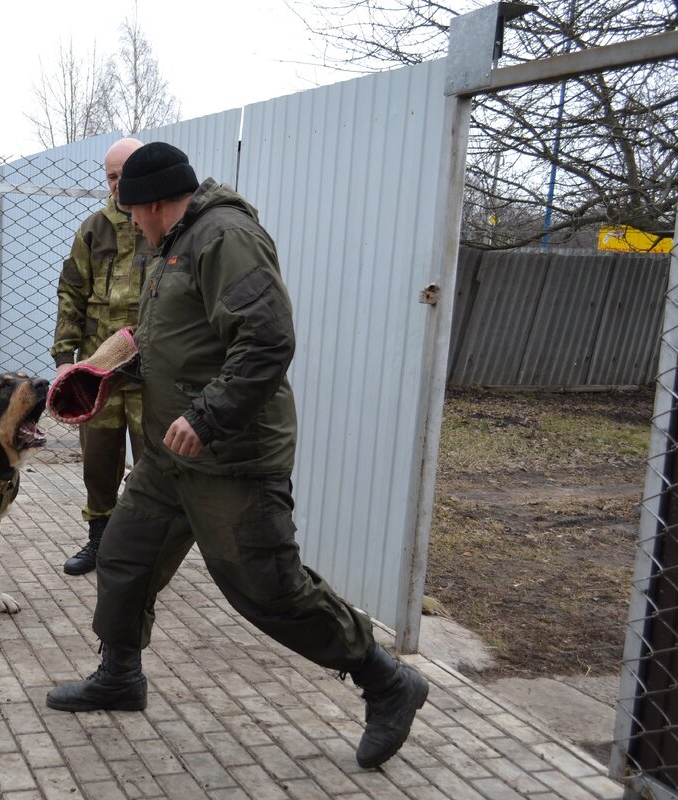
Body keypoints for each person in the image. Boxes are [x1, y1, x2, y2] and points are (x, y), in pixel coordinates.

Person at [45, 142, 430, 770]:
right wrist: (104, 368)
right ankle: (119, 676)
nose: (130, 224)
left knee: (268, 589)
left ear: (156, 202)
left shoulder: (224, 237)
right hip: (173, 452)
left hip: (230, 452)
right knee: (123, 556)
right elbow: (176, 335)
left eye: (132, 209)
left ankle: (385, 679)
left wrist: (208, 415)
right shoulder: (173, 245)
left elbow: (268, 337)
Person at [52, 137, 159, 575]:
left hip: (151, 369)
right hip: (100, 367)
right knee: (98, 459)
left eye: (123, 174)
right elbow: (72, 290)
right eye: (110, 176)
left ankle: (145, 550)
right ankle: (98, 539)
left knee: (154, 461)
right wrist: (64, 355)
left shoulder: (163, 222)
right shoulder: (95, 227)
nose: (116, 185)